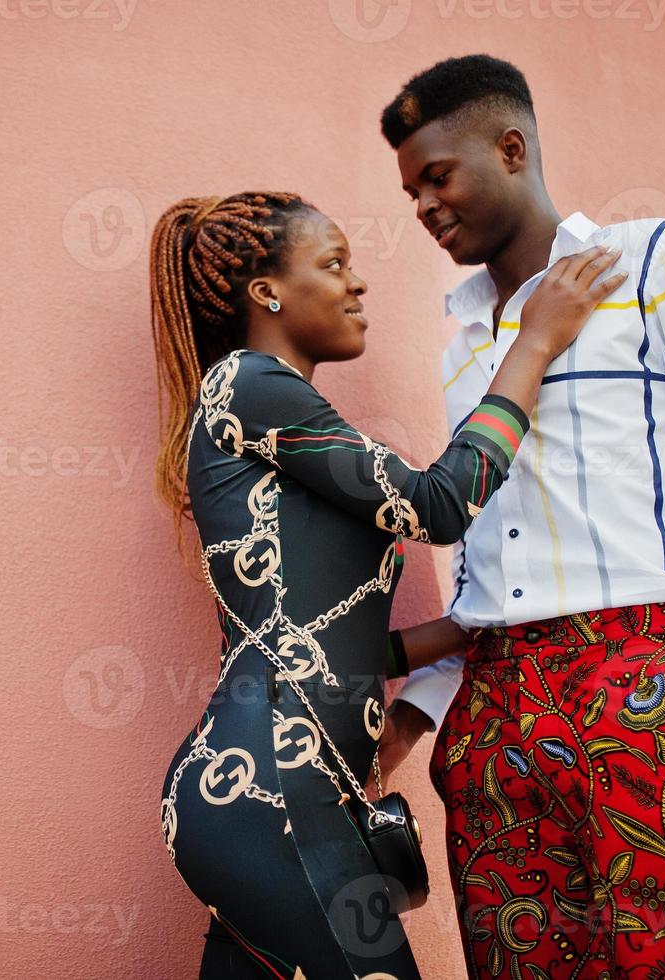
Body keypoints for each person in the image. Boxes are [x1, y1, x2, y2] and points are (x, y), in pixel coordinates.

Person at [376, 55, 665, 979]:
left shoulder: (656, 261)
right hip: (494, 713)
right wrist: (421, 721)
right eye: (409, 189)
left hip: (639, 678)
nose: (421, 205)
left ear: (511, 148)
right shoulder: (466, 342)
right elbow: (488, 569)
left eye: (437, 175)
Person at [151, 190, 625, 979]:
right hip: (272, 795)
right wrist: (535, 341)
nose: (356, 284)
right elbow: (437, 504)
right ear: (266, 292)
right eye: (333, 264)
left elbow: (318, 639)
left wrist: (470, 630)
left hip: (264, 796)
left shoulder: (269, 407)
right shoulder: (248, 383)